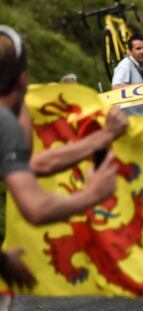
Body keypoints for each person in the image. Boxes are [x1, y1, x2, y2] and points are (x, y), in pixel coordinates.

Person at [0, 25, 118, 291]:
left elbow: (34, 165)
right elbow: (37, 208)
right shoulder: (5, 122)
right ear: (22, 79)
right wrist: (93, 194)